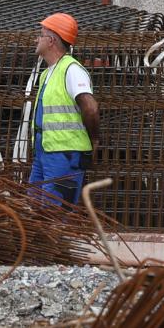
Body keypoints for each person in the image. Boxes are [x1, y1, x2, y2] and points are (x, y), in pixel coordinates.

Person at [29, 13, 101, 206]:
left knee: (53, 214)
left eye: (40, 34)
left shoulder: (72, 70)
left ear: (51, 40)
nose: (36, 39)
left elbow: (91, 108)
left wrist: (94, 140)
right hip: (45, 153)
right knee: (33, 208)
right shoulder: (47, 74)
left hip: (64, 155)